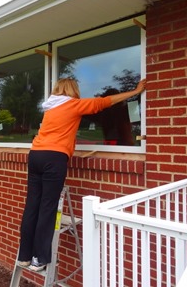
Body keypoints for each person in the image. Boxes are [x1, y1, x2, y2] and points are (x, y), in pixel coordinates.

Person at [17, 77, 146, 271]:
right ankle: (39, 259)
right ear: (73, 89)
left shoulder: (50, 108)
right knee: (47, 208)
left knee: (32, 205)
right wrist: (134, 92)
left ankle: (24, 256)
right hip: (54, 158)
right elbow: (104, 102)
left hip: (35, 155)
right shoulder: (73, 105)